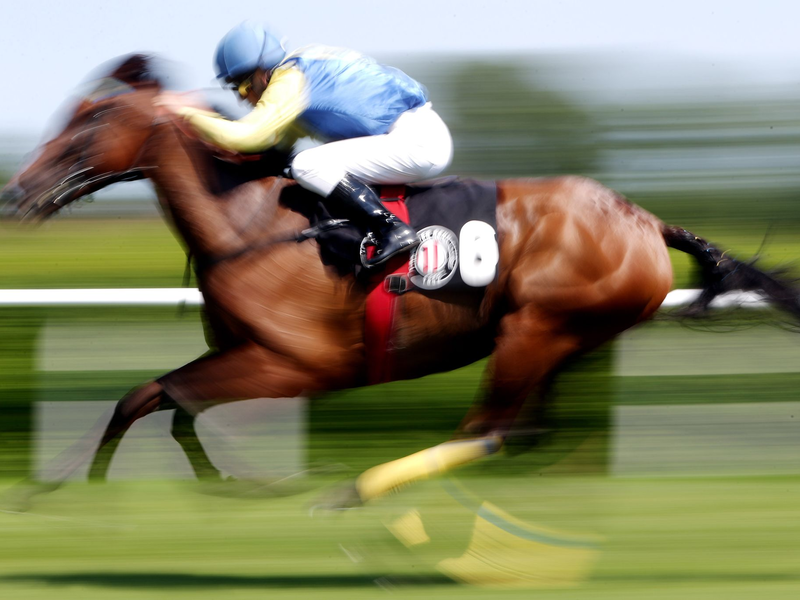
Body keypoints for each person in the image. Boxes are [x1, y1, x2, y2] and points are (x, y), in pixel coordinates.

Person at [159, 21, 453, 267]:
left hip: (417, 141)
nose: (241, 97)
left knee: (308, 164)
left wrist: (184, 113)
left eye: (243, 85)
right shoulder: (298, 74)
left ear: (264, 73)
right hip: (411, 134)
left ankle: (391, 228)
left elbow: (248, 136)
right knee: (298, 166)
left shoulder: (289, 80)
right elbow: (275, 145)